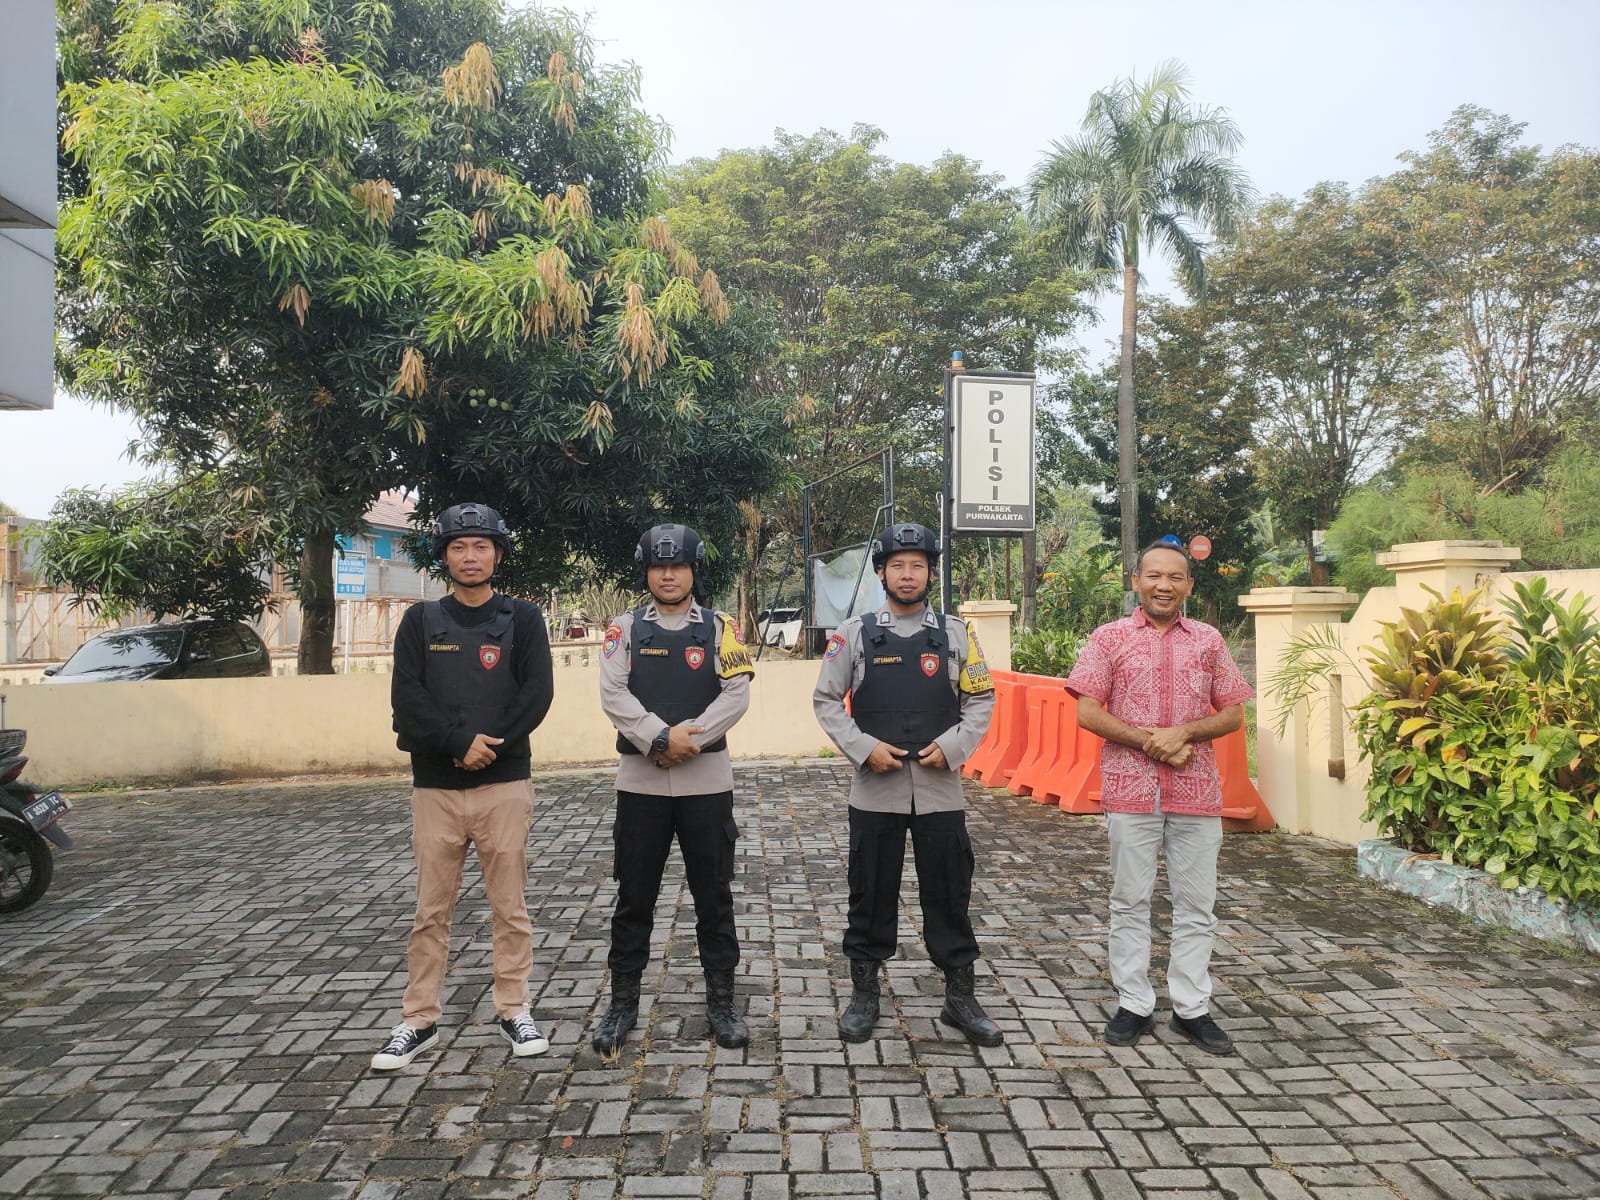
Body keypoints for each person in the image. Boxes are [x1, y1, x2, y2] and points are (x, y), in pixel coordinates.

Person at [373, 502, 555, 1070]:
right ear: (444, 557)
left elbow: (536, 695)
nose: (469, 556)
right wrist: (457, 743)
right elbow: (407, 699)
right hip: (436, 789)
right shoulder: (420, 621)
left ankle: (514, 1009)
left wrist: (489, 746)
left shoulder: (524, 619)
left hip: (505, 785)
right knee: (431, 910)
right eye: (458, 547)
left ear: (497, 554)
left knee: (510, 908)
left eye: (480, 546)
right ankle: (418, 1019)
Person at [812, 521, 1003, 1047]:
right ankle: (864, 994)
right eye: (897, 565)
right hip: (875, 789)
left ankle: (960, 997)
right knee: (870, 891)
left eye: (918, 565)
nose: (907, 574)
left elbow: (981, 699)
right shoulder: (853, 634)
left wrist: (956, 747)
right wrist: (862, 748)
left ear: (931, 574)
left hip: (941, 790)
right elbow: (826, 700)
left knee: (950, 891)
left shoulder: (957, 634)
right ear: (881, 573)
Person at [1065, 540, 1254, 1056]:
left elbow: (1232, 713)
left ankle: (1191, 1008)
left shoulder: (1209, 641)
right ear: (1136, 582)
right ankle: (1134, 1003)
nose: (1163, 586)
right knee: (1130, 901)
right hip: (1130, 791)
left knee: (1197, 906)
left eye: (1174, 577)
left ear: (1188, 585)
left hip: (1196, 792)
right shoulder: (1109, 638)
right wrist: (1152, 741)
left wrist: (1184, 733)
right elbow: (1087, 711)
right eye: (1153, 576)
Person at [593, 523, 755, 1055]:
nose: (668, 575)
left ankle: (722, 1003)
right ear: (647, 572)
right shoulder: (623, 629)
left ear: (693, 570)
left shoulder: (721, 627)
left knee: (714, 898)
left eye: (678, 566)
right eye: (659, 566)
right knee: (633, 899)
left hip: (706, 782)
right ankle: (622, 1004)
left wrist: (689, 739)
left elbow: (736, 694)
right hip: (641, 784)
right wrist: (659, 738)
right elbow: (613, 694)